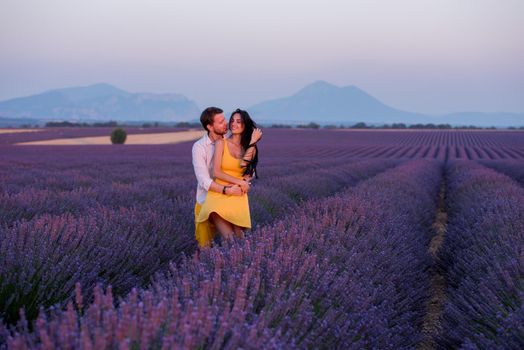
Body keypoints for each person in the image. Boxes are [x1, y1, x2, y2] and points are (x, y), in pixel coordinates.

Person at [196, 108, 262, 241]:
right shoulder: (221, 142)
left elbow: (245, 167)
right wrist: (240, 182)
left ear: (245, 124)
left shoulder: (249, 148)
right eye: (232, 121)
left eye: (239, 121)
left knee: (241, 239)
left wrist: (253, 142)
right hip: (219, 195)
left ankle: (233, 262)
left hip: (238, 195)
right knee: (230, 239)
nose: (233, 124)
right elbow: (216, 172)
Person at [192, 107, 243, 248]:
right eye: (221, 121)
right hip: (206, 202)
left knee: (237, 243)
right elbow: (203, 181)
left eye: (225, 119)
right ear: (209, 126)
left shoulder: (231, 142)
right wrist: (227, 190)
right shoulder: (199, 147)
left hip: (229, 201)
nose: (226, 123)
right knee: (204, 249)